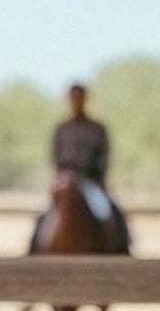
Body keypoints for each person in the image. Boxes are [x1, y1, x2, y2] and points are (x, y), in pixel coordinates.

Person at [30, 82, 130, 253]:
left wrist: (97, 177)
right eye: (73, 98)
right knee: (48, 216)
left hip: (90, 180)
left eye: (80, 98)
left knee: (107, 211)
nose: (77, 102)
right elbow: (55, 157)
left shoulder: (96, 129)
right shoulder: (62, 129)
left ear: (85, 100)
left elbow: (104, 157)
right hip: (66, 179)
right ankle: (35, 248)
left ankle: (120, 244)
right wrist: (62, 177)